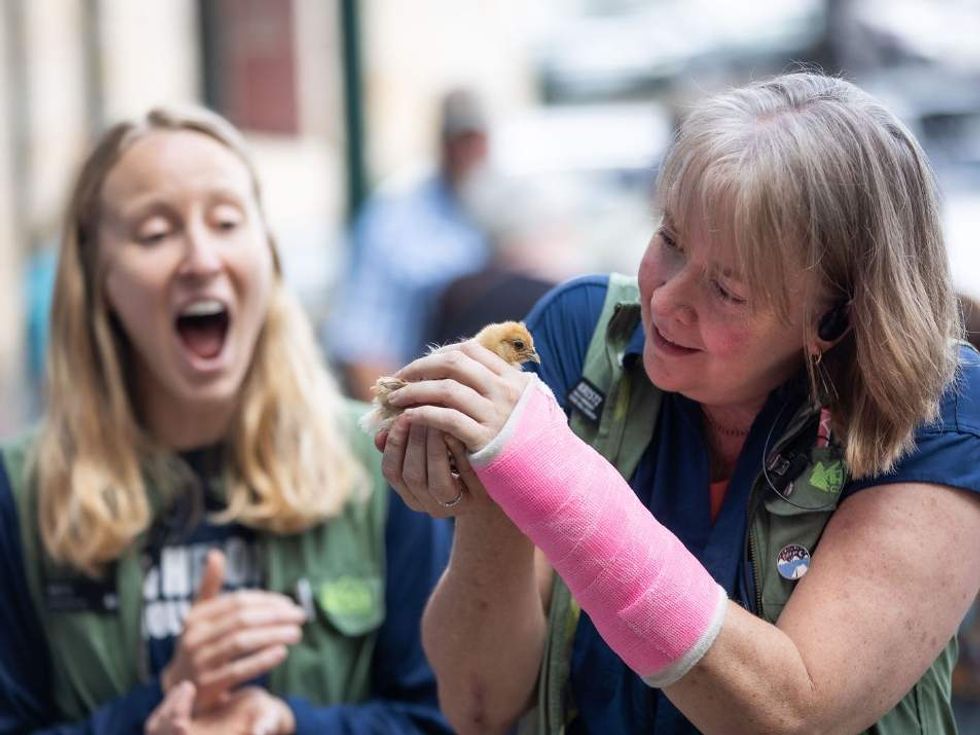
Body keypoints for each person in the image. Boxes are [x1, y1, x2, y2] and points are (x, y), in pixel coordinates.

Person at [376, 72, 980, 734]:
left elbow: (792, 712)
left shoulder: (940, 408)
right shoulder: (583, 337)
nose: (663, 301)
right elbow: (479, 706)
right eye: (671, 239)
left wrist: (546, 471)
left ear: (836, 319)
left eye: (727, 289)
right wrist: (492, 491)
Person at [0, 106, 452, 734]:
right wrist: (153, 709)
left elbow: (443, 719)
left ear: (266, 254)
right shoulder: (21, 492)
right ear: (97, 277)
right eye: (155, 234)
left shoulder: (383, 459)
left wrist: (287, 724)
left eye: (227, 222)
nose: (201, 258)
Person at [327, 88, 492, 399]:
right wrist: (397, 426)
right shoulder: (395, 219)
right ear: (442, 143)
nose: (470, 151)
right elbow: (363, 345)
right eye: (460, 139)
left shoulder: (504, 207)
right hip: (421, 401)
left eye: (477, 139)